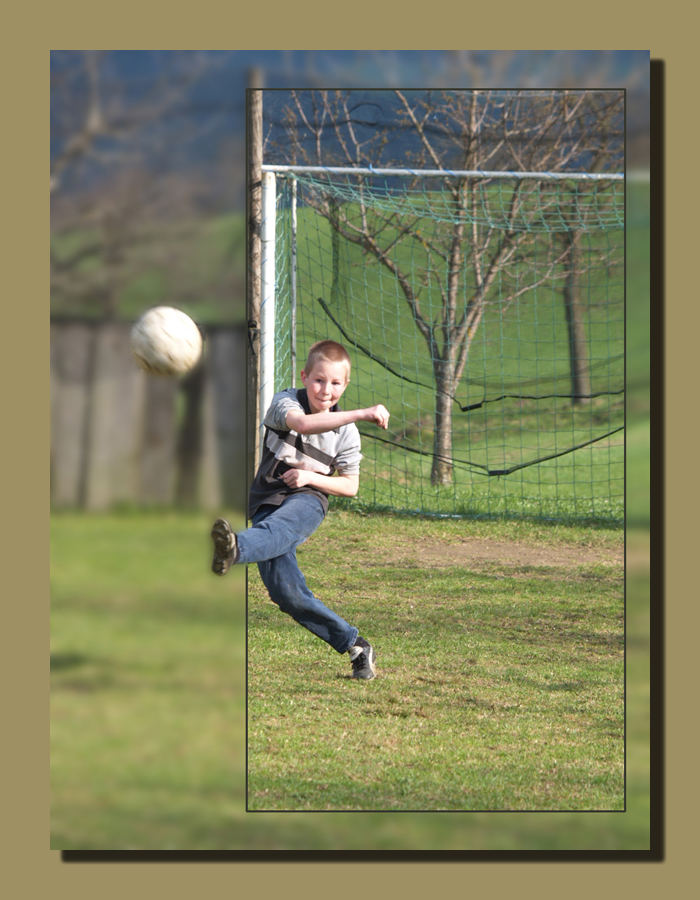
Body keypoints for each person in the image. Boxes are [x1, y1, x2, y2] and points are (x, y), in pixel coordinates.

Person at [211, 339, 390, 680]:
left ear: (345, 384)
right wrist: (365, 412)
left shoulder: (347, 434)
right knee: (286, 592)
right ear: (305, 376)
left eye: (336, 383)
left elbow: (350, 486)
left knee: (275, 533)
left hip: (309, 500)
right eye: (319, 380)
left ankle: (235, 548)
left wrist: (310, 477)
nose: (326, 390)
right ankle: (355, 646)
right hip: (266, 500)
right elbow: (304, 425)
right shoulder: (285, 402)